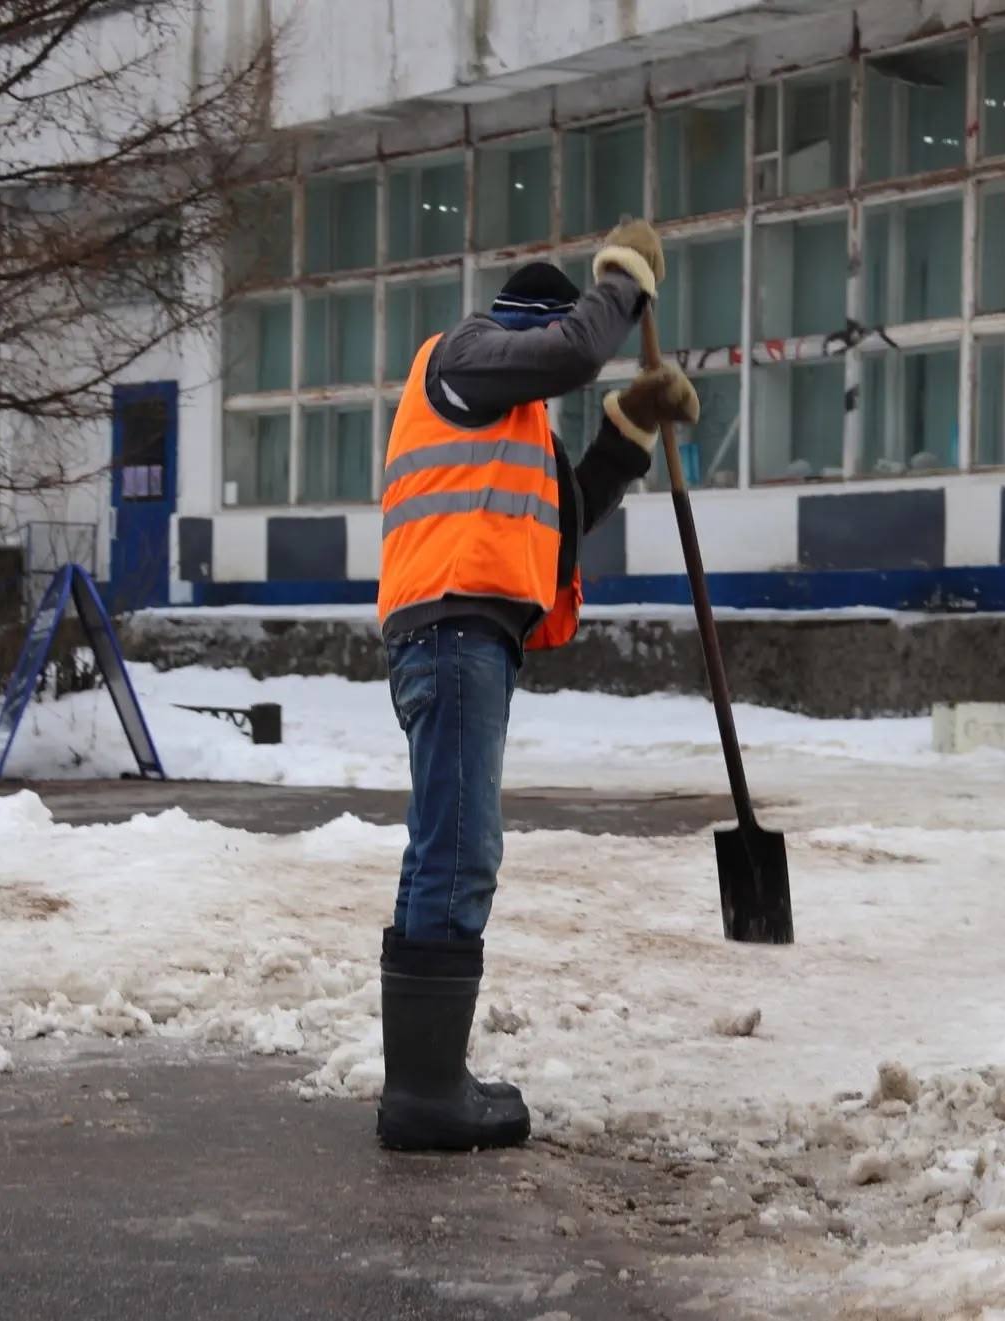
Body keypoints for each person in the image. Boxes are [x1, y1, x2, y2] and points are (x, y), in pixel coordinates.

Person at [374, 220, 699, 1152]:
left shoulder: (510, 426)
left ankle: (425, 1082)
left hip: (470, 640)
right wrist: (623, 280)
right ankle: (427, 1094)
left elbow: (563, 526)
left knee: (449, 845)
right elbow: (572, 349)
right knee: (458, 850)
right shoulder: (466, 355)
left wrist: (631, 429)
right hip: (452, 628)